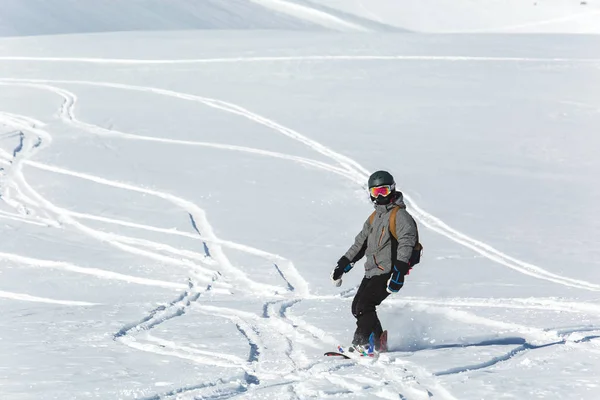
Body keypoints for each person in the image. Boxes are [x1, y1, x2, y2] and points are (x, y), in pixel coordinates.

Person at [331, 170, 419, 352]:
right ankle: (378, 343)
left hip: (388, 271)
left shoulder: (400, 216)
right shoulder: (374, 218)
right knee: (357, 307)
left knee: (365, 306)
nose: (380, 196)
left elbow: (407, 242)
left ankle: (361, 344)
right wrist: (344, 263)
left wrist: (399, 272)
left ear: (392, 190)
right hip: (373, 270)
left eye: (384, 191)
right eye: (375, 192)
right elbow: (360, 243)